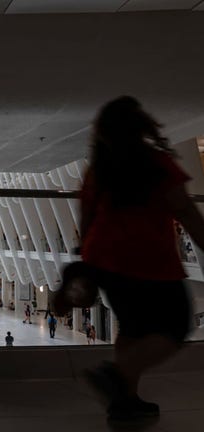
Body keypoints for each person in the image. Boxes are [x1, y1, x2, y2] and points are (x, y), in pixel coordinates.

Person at [73, 96, 204, 421]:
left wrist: (86, 261)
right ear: (140, 127)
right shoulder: (156, 163)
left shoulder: (98, 170)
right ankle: (117, 374)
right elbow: (185, 210)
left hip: (105, 260)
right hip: (148, 260)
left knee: (132, 328)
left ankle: (126, 401)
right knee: (176, 327)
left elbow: (85, 217)